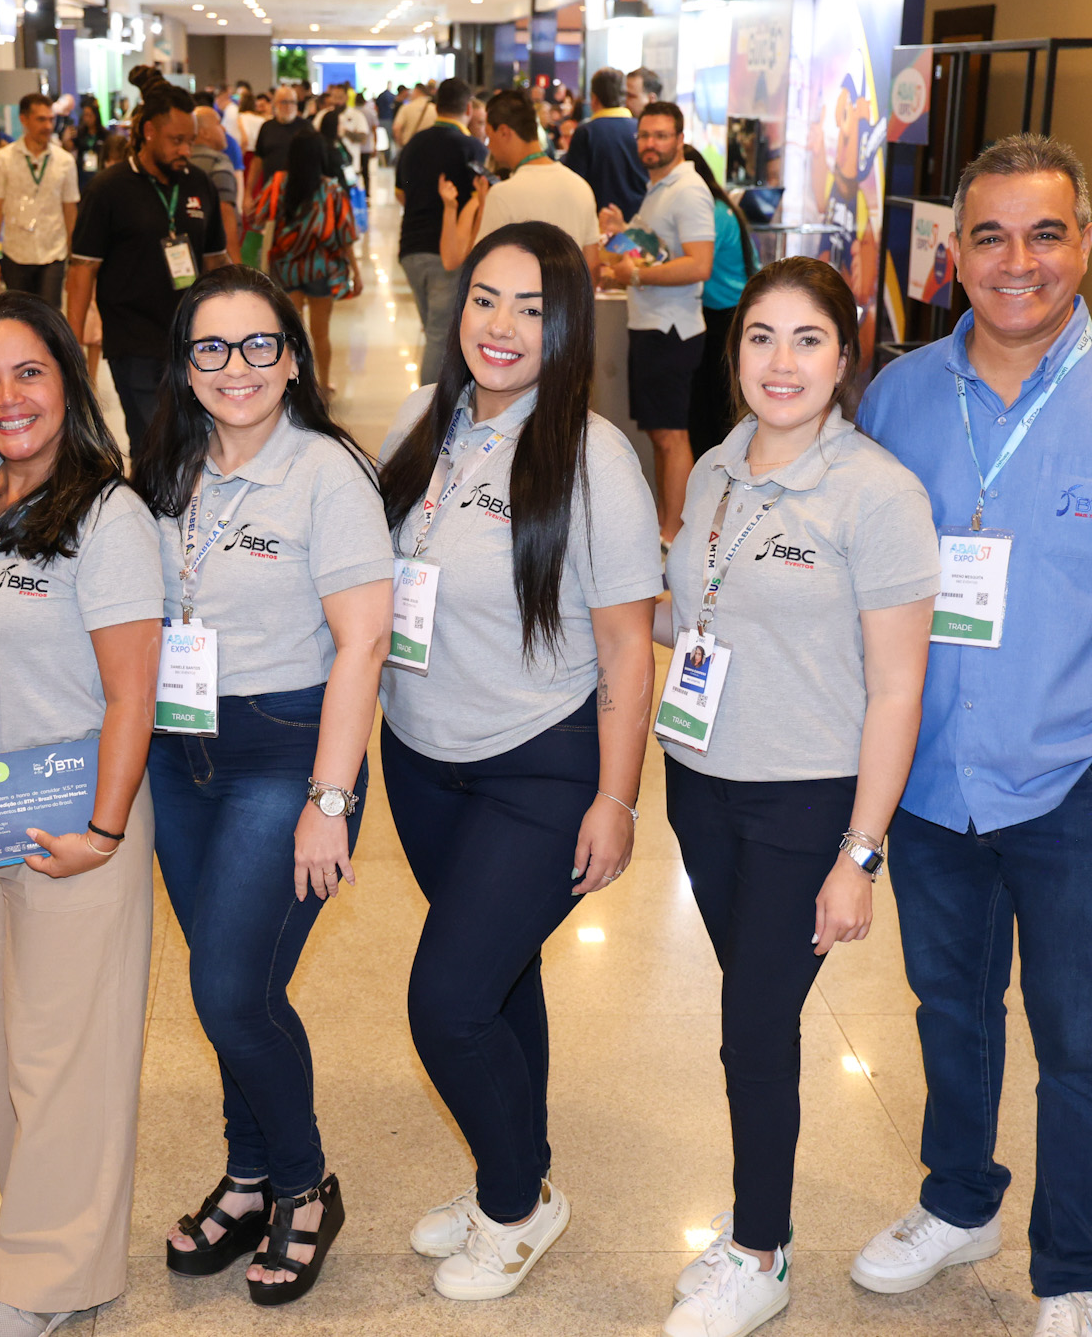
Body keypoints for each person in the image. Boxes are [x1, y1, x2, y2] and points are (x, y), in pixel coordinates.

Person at [848, 135, 1092, 1337]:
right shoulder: (896, 398)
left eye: (1042, 233)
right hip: (926, 787)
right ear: (951, 252)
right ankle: (958, 1199)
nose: (1015, 262)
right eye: (988, 235)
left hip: (1079, 789)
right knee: (947, 1009)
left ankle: (1071, 1272)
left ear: (1084, 243)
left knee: (1080, 1042)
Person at [377, 222, 660, 1301]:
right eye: (485, 300)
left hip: (539, 760)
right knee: (497, 974)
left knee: (445, 999)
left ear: (567, 326)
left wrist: (616, 797)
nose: (500, 327)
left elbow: (630, 644)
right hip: (419, 750)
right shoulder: (425, 421)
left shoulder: (592, 459)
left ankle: (515, 1200)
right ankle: (517, 1170)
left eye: (532, 308)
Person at [658, 257, 938, 1337]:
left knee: (751, 1025)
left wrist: (857, 853)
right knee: (753, 1013)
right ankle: (753, 1221)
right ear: (734, 353)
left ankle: (759, 1249)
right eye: (760, 338)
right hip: (700, 783)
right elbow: (697, 615)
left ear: (843, 354)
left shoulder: (876, 493)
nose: (780, 363)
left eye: (806, 339)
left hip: (803, 801)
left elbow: (897, 688)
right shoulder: (716, 469)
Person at [133, 264, 394, 1307]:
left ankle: (301, 1183)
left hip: (284, 750)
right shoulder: (163, 466)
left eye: (256, 347)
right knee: (227, 980)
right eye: (209, 348)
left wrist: (327, 802)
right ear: (183, 366)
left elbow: (363, 642)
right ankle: (246, 1179)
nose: (233, 369)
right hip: (176, 749)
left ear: (291, 359)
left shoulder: (328, 473)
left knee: (229, 988)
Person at [0, 291, 163, 1337]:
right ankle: (39, 1218)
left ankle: (56, 1281)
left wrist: (103, 833)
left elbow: (131, 692)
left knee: (66, 1050)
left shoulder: (108, 517)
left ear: (67, 378)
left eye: (28, 373)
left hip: (78, 814)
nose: (7, 398)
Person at [67, 67, 231, 459]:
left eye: (190, 141)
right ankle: (151, 517)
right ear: (149, 132)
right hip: (133, 340)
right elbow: (83, 268)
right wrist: (69, 345)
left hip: (192, 339)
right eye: (177, 141)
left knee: (196, 442)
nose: (185, 151)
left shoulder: (198, 184)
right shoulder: (109, 189)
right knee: (153, 444)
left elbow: (215, 261)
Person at [598, 102, 714, 543]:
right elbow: (657, 250)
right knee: (659, 435)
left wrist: (637, 275)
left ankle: (674, 534)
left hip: (672, 329)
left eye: (661, 135)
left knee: (671, 436)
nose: (651, 144)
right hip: (652, 325)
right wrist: (621, 232)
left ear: (679, 139)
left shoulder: (688, 189)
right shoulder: (661, 188)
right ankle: (668, 528)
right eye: (645, 136)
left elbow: (698, 264)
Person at [437, 88, 601, 280]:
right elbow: (592, 265)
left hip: (521, 307)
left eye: (490, 136)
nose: (488, 146)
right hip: (569, 306)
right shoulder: (580, 187)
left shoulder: (503, 194)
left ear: (504, 132)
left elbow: (483, 268)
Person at [250, 129, 363, 394]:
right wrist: (356, 272)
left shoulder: (278, 183)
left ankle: (292, 386)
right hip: (320, 269)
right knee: (321, 333)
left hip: (284, 268)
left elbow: (256, 216)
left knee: (289, 334)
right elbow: (346, 236)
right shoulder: (332, 189)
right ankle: (323, 385)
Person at [394, 78, 486, 386]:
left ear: (435, 107)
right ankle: (429, 411)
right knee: (439, 336)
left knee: (435, 330)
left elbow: (400, 194)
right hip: (447, 252)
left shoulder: (414, 144)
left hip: (410, 249)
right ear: (469, 109)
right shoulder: (472, 147)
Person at [686, 148, 759, 462]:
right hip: (733, 310)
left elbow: (685, 264)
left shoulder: (708, 213)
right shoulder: (723, 207)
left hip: (721, 316)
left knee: (713, 406)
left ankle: (718, 474)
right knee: (722, 402)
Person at [0, 93, 80, 307]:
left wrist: (73, 257)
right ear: (24, 120)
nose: (47, 125)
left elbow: (70, 209)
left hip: (53, 252)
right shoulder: (4, 158)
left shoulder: (65, 161)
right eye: (41, 119)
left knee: (49, 316)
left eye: (50, 119)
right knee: (21, 317)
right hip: (16, 252)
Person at [563, 68, 646, 221]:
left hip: (601, 223)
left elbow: (575, 186)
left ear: (594, 99)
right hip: (640, 221)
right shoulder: (642, 129)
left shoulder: (586, 132)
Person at [191, 106, 245, 267]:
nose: (223, 128)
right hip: (214, 256)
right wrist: (236, 263)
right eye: (218, 124)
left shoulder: (180, 162)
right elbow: (225, 210)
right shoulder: (218, 161)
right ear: (204, 132)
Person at [250, 84, 313, 196]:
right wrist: (248, 193)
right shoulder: (267, 127)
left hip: (299, 192)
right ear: (275, 104)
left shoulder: (306, 127)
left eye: (292, 102)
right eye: (284, 102)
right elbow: (257, 161)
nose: (289, 106)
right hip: (271, 191)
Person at [392, 81, 438, 146]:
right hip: (430, 148)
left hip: (410, 147)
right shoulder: (435, 109)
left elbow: (396, 128)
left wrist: (401, 145)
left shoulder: (406, 108)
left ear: (416, 91)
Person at [74, 97, 108, 176]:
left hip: (100, 171)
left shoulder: (104, 134)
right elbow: (71, 146)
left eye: (90, 115)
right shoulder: (80, 133)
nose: (87, 119)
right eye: (85, 115)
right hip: (82, 171)